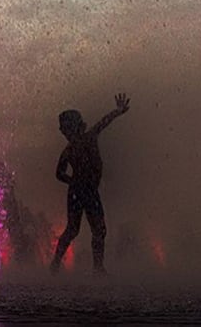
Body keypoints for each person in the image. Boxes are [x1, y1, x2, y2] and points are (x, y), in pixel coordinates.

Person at [50, 92, 131, 274]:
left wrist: (73, 181)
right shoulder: (79, 143)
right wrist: (76, 181)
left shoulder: (76, 145)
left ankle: (60, 265)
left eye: (64, 128)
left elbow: (59, 174)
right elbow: (58, 173)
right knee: (92, 229)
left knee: (81, 229)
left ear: (73, 127)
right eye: (63, 129)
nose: (63, 132)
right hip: (83, 190)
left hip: (81, 190)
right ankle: (95, 267)